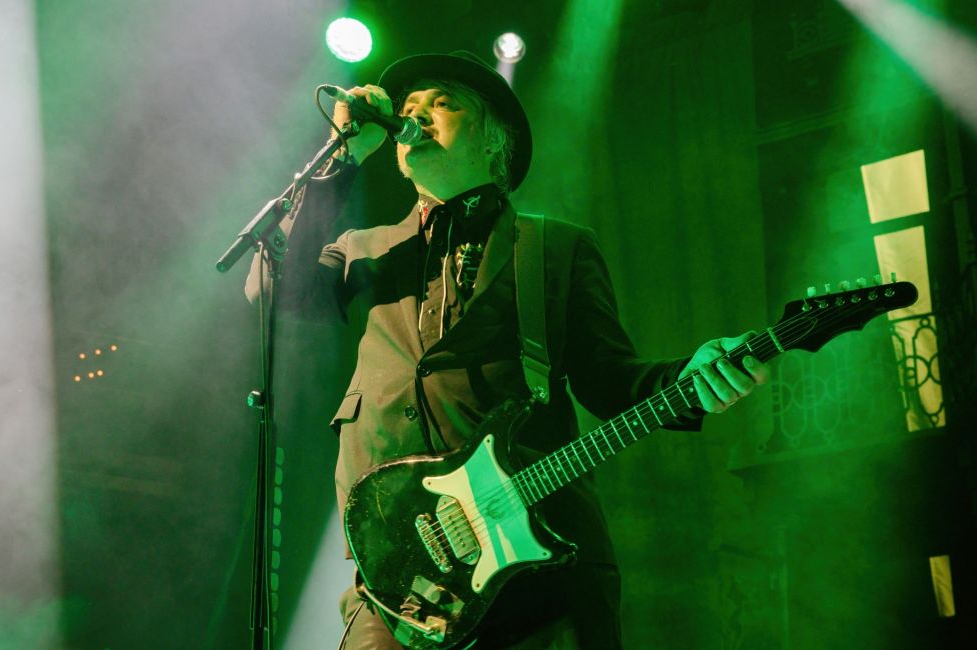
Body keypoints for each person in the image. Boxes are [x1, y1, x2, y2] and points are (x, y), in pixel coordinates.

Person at [246, 51, 769, 649]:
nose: (417, 113)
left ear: (496, 143)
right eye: (410, 107)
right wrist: (342, 159)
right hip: (403, 583)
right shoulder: (366, 248)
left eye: (443, 103)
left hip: (535, 566)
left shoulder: (553, 249)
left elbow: (610, 381)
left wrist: (693, 377)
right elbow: (272, 288)